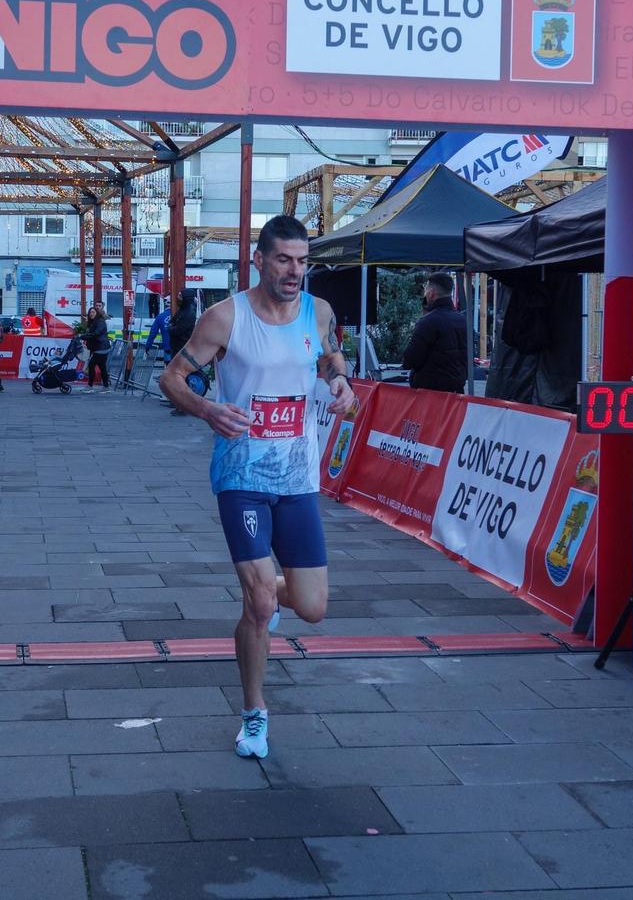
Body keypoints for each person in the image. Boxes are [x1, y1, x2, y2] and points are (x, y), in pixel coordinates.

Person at [159, 215, 355, 761]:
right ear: (259, 260)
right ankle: (254, 713)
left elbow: (330, 354)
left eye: (302, 261)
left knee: (312, 607)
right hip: (241, 476)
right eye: (284, 260)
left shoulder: (318, 311)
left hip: (298, 478)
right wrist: (207, 409)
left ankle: (266, 590)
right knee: (261, 602)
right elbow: (171, 378)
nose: (294, 271)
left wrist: (341, 381)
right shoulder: (226, 318)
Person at [402, 272, 468, 393]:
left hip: (430, 392)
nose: (425, 293)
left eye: (426, 289)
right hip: (457, 391)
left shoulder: (427, 322)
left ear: (431, 292)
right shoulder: (463, 321)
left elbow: (410, 358)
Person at [83, 304, 113, 390]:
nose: (91, 314)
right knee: (102, 367)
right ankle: (106, 387)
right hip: (99, 347)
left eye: (93, 312)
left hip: (101, 347)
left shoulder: (100, 322)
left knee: (92, 365)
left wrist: (83, 336)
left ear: (97, 313)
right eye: (90, 312)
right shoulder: (93, 322)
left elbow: (96, 333)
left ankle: (90, 386)